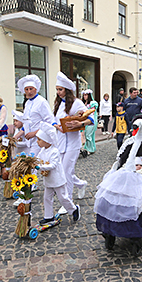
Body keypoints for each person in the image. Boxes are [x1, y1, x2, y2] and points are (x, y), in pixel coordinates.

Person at [53, 72, 92, 212]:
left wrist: (78, 124)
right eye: (57, 89)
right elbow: (54, 120)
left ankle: (67, 201)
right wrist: (57, 126)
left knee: (66, 171)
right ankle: (81, 184)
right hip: (61, 142)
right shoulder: (58, 103)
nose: (58, 92)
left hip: (73, 143)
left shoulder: (77, 103)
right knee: (64, 170)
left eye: (60, 89)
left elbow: (90, 118)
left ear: (67, 90)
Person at [36, 122, 80, 224]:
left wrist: (40, 167)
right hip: (48, 180)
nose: (37, 142)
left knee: (63, 197)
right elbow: (38, 158)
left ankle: (73, 209)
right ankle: (48, 216)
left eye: (39, 140)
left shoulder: (54, 151)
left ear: (47, 141)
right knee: (47, 198)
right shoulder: (42, 150)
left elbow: (53, 165)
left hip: (57, 179)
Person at [17, 75, 54, 157]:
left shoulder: (42, 102)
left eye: (31, 89)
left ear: (36, 89)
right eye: (26, 89)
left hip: (39, 140)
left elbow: (49, 122)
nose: (29, 91)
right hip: (28, 141)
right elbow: (25, 123)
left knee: (33, 164)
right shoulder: (27, 103)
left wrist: (34, 133)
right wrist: (15, 137)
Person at [82, 90, 98, 154]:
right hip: (86, 121)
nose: (84, 96)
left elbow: (92, 112)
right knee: (87, 135)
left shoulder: (92, 103)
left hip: (91, 121)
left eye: (86, 95)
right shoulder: (83, 103)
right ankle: (89, 148)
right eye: (84, 95)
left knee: (88, 135)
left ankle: (90, 149)